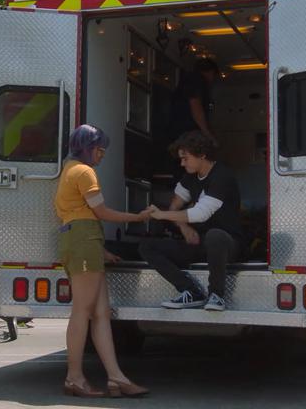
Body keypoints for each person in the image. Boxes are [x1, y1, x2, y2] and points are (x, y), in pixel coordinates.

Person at [54, 124, 150, 398]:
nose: (102, 155)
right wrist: (138, 217)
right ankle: (74, 377)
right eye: (100, 149)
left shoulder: (69, 170)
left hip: (84, 240)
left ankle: (115, 377)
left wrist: (101, 250)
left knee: (101, 313)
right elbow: (102, 212)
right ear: (87, 147)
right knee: (83, 311)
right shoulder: (84, 172)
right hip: (84, 240)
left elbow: (82, 215)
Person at [139, 130, 246, 312]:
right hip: (200, 242)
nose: (182, 163)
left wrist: (161, 215)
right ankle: (190, 290)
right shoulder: (190, 177)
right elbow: (175, 206)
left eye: (185, 158)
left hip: (228, 244)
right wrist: (184, 227)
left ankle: (217, 295)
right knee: (146, 246)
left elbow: (200, 213)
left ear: (202, 154)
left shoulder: (222, 177)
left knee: (215, 236)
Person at [168, 54, 220, 145]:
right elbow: (195, 105)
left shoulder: (187, 81)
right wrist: (208, 134)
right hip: (188, 132)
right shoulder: (197, 81)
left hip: (179, 130)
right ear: (210, 72)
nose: (212, 80)